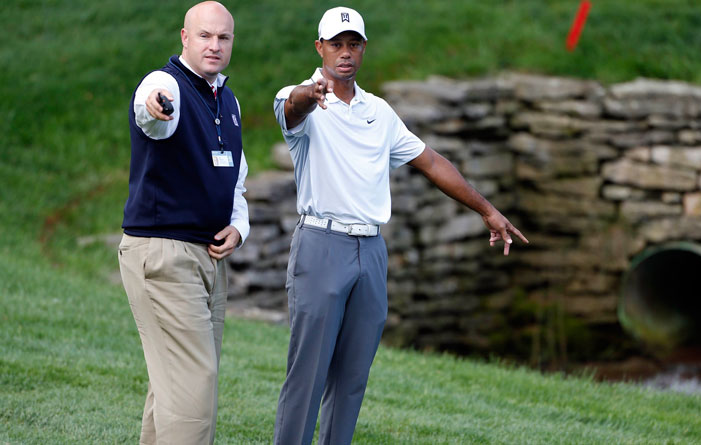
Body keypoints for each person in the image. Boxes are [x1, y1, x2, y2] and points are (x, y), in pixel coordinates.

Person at [271, 6, 528, 444]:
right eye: (336, 44)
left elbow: (431, 162)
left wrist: (486, 209)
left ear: (364, 49)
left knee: (352, 377)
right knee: (308, 376)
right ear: (320, 48)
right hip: (321, 245)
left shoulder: (380, 112)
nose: (345, 53)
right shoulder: (300, 100)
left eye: (354, 44)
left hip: (370, 253)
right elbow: (291, 109)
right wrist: (306, 94)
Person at [117, 2, 248, 443]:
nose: (214, 45)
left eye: (223, 37)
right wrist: (153, 107)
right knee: (194, 388)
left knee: (175, 387)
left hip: (208, 259)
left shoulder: (227, 100)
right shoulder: (166, 83)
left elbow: (238, 180)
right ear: (185, 37)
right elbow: (148, 107)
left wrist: (239, 226)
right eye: (205, 36)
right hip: (164, 255)